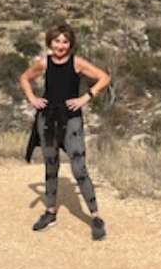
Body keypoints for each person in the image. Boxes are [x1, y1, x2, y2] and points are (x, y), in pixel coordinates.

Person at [19, 22, 111, 241]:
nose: (61, 45)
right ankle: (51, 212)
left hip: (71, 120)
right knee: (51, 166)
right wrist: (32, 98)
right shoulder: (44, 63)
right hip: (48, 119)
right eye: (57, 41)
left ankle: (96, 216)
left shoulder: (77, 62)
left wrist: (85, 97)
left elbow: (104, 78)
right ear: (50, 42)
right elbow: (24, 78)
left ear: (70, 44)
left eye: (65, 41)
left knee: (79, 168)